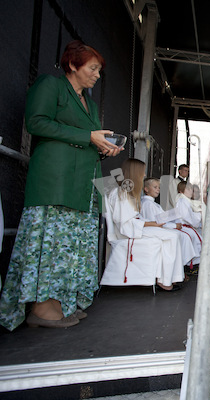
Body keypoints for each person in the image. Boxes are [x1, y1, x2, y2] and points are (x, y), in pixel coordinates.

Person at [0, 40, 123, 330]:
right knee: (51, 245)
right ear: (72, 65)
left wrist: (104, 147)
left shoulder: (89, 104)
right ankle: (41, 307)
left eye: (98, 70)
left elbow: (90, 136)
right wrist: (88, 137)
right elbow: (37, 123)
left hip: (82, 185)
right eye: (92, 68)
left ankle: (62, 302)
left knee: (72, 249)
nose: (97, 75)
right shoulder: (51, 86)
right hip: (55, 181)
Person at [108, 159, 186, 291]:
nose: (144, 175)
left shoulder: (127, 192)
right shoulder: (121, 193)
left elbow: (134, 218)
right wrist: (153, 224)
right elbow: (126, 223)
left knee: (172, 235)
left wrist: (153, 224)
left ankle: (165, 277)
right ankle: (165, 281)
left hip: (135, 228)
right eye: (142, 172)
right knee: (172, 237)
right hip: (128, 232)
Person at [140, 178, 199, 271]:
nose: (158, 189)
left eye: (159, 187)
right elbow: (154, 223)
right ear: (146, 189)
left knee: (187, 235)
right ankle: (183, 266)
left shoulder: (152, 204)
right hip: (156, 230)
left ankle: (185, 266)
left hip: (163, 227)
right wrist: (175, 226)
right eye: (155, 187)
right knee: (184, 236)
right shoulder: (148, 204)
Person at [173, 181, 203, 269]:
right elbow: (187, 217)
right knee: (194, 239)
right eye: (188, 189)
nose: (191, 191)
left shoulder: (186, 201)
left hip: (187, 226)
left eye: (191, 189)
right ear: (181, 191)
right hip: (184, 226)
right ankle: (190, 266)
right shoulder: (182, 201)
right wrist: (199, 214)